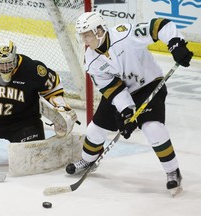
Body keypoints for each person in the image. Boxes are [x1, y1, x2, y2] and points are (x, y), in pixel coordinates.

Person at [65, 12, 193, 193]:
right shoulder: (91, 60)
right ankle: (88, 160)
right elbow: (113, 89)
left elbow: (159, 25)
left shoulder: (124, 34)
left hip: (149, 85)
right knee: (95, 129)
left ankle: (172, 171)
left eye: (87, 34)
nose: (85, 39)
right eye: (82, 35)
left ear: (99, 30)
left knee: (152, 128)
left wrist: (176, 43)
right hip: (123, 92)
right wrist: (126, 112)